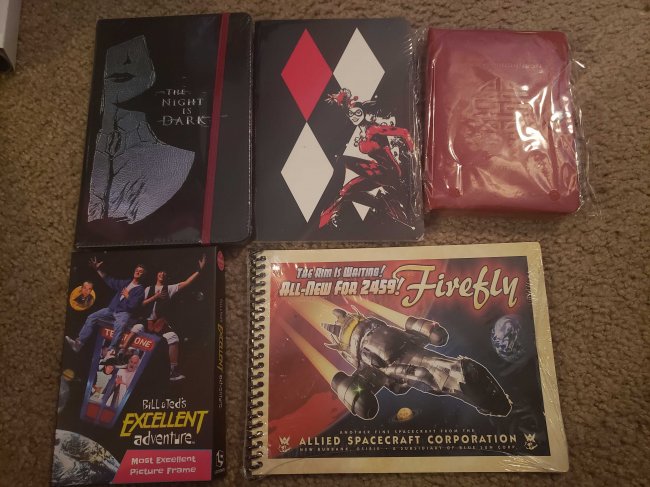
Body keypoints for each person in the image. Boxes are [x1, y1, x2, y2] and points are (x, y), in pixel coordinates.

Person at [131, 255, 206, 381]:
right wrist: (154, 298)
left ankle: (173, 371)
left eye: (164, 273)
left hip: (159, 323)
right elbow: (140, 304)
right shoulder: (148, 289)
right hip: (145, 320)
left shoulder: (170, 288)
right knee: (135, 329)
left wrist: (199, 270)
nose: (162, 274)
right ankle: (122, 355)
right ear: (157, 274)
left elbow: (186, 282)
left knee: (173, 337)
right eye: (160, 272)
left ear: (166, 277)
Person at [65, 258, 146, 356]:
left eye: (140, 272)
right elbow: (110, 281)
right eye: (137, 270)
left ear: (143, 275)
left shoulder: (140, 290)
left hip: (123, 313)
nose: (137, 272)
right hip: (111, 309)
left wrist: (128, 296)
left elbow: (134, 305)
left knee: (120, 326)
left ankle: (111, 351)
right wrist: (98, 269)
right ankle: (78, 344)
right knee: (91, 317)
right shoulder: (126, 283)